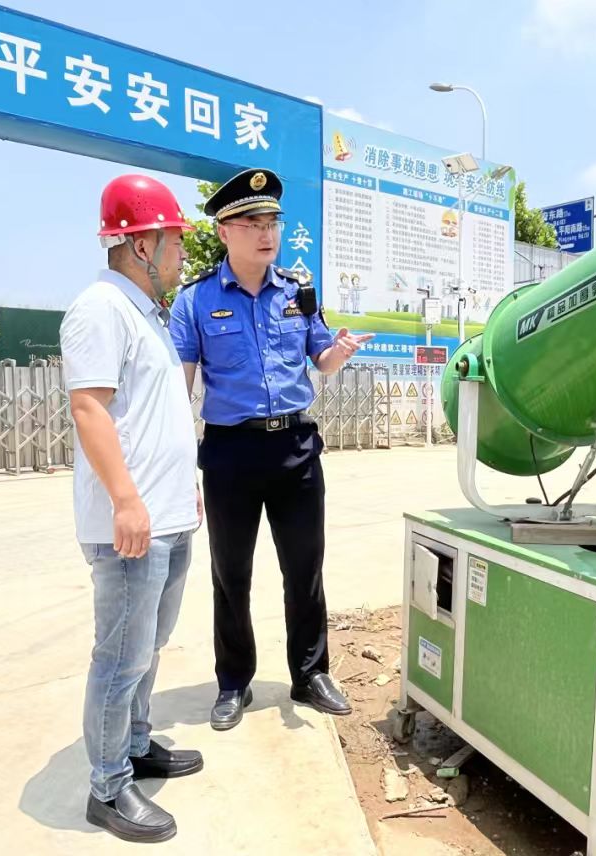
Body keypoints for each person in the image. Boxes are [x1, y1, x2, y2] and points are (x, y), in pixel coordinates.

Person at [170, 167, 373, 731]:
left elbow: (321, 359)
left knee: (305, 567)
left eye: (273, 222)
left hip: (295, 447)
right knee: (230, 573)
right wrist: (175, 469)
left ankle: (310, 674)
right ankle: (234, 682)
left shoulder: (297, 292)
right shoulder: (195, 301)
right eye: (253, 223)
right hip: (230, 453)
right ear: (224, 232)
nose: (267, 233)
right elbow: (179, 390)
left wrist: (339, 353)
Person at [60, 174, 203, 843]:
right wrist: (126, 501)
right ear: (143, 244)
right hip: (132, 526)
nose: (183, 253)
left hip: (168, 516)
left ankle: (136, 745)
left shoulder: (146, 312)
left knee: (147, 647)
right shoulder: (100, 308)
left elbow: (151, 416)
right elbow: (90, 409)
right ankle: (108, 786)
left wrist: (181, 485)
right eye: (176, 240)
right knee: (120, 657)